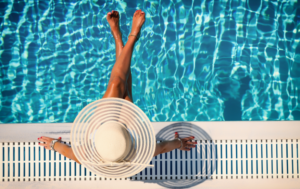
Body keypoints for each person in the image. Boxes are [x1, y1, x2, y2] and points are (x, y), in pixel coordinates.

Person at [37, 10, 196, 164]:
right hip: (129, 135)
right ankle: (128, 37)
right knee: (124, 85)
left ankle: (123, 37)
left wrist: (54, 144)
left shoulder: (86, 156)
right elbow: (163, 147)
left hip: (102, 128)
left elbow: (70, 153)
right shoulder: (140, 152)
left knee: (117, 82)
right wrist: (180, 143)